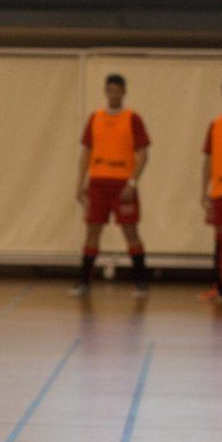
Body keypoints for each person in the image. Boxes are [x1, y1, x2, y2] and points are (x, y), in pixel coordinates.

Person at [72, 74, 151, 299]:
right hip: (97, 184)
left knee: (130, 231)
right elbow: (86, 153)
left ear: (123, 92)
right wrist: (79, 184)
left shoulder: (132, 118)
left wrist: (132, 182)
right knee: (92, 231)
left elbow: (143, 155)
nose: (113, 94)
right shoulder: (95, 118)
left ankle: (141, 283)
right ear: (105, 91)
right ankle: (84, 282)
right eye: (109, 90)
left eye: (117, 90)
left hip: (122, 185)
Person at [199, 80, 222, 303]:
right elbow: (208, 160)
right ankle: (219, 287)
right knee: (220, 240)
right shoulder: (216, 125)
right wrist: (204, 190)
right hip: (221, 191)